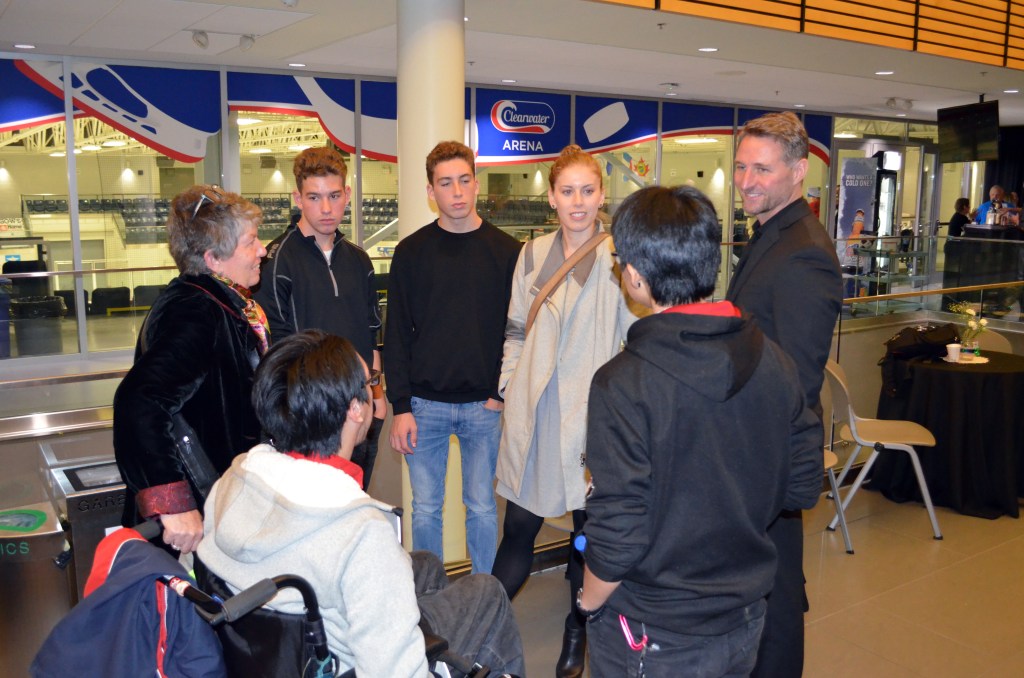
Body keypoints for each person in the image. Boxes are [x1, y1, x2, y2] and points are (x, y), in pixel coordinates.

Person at [578, 185, 823, 678]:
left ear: (635, 276)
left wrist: (587, 601)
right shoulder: (774, 361)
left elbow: (619, 532)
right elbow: (801, 485)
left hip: (652, 628)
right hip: (745, 615)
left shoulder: (622, 382)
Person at [197, 331, 525, 678]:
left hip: (273, 648)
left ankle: (433, 651)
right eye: (371, 382)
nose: (374, 391)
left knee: (426, 565)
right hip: (338, 660)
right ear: (355, 409)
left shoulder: (234, 478)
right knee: (487, 591)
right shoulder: (362, 530)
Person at [491, 144, 640, 678]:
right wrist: (510, 382)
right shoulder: (531, 255)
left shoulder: (620, 256)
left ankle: (576, 633)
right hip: (535, 412)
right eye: (568, 191)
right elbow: (514, 326)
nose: (578, 202)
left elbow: (635, 338)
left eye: (588, 191)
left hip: (591, 418)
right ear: (551, 197)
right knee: (519, 527)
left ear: (602, 196)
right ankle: (482, 628)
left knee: (586, 534)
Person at [728, 111, 842, 678]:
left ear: (799, 171)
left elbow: (797, 378)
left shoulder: (804, 252)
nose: (746, 181)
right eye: (742, 167)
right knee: (761, 589)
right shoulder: (771, 234)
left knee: (774, 598)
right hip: (753, 448)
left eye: (762, 169)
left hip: (768, 455)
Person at [384, 140, 522, 574]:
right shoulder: (411, 252)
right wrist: (401, 407)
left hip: (484, 406)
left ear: (476, 184)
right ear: (431, 191)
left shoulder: (508, 251)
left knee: (482, 507)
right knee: (425, 509)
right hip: (424, 406)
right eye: (446, 183)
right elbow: (396, 334)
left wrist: (500, 393)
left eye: (464, 180)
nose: (457, 191)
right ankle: (430, 599)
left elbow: (517, 332)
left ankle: (484, 599)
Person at [114, 185, 268, 554]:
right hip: (191, 525)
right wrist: (173, 503)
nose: (262, 250)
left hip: (217, 506)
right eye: (251, 242)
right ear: (214, 259)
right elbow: (141, 401)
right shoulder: (195, 311)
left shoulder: (217, 302)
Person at [254, 146, 385, 489]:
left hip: (358, 410)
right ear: (298, 198)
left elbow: (370, 333)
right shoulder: (275, 261)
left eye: (334, 196)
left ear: (347, 195)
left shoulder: (359, 260)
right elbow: (275, 351)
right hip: (308, 416)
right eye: (314, 197)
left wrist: (377, 395)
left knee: (354, 500)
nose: (326, 208)